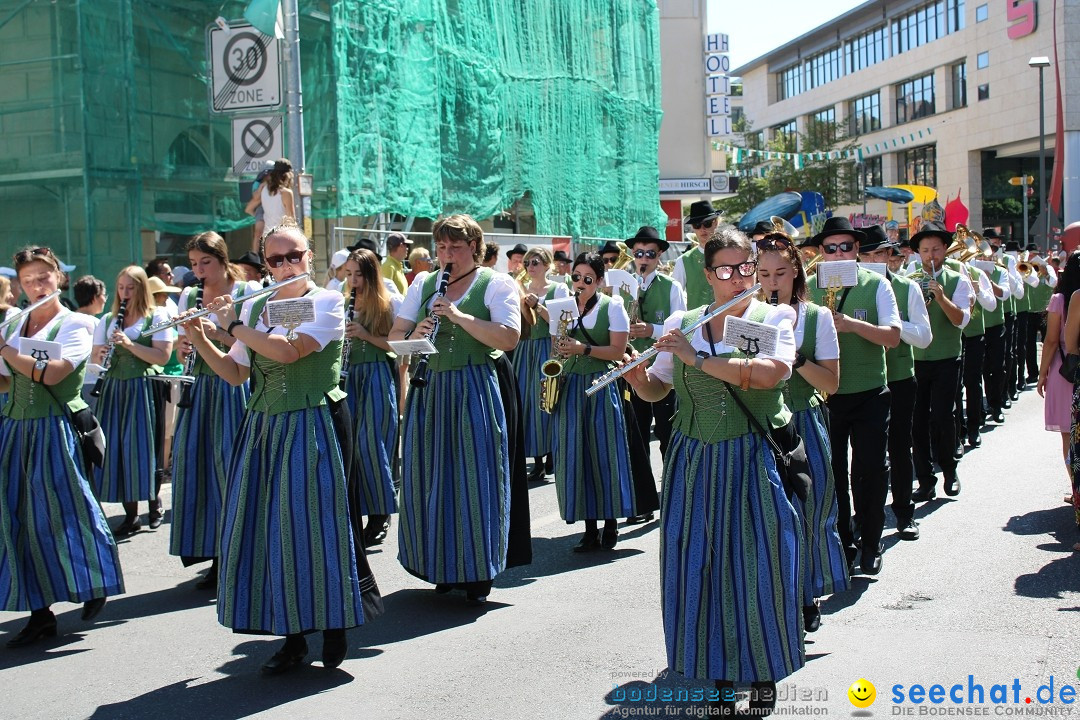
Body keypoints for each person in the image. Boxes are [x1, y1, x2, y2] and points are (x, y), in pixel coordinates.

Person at [624, 229, 802, 716]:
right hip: (692, 457)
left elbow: (771, 373)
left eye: (745, 267)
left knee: (758, 561)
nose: (738, 277)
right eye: (725, 270)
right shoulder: (685, 321)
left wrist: (697, 357)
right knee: (700, 565)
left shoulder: (774, 316)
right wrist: (640, 379)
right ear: (708, 276)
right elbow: (660, 389)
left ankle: (764, 675)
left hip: (749, 454)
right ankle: (719, 676)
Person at [182, 219, 369, 673]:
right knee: (270, 528)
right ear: (264, 263)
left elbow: (289, 352)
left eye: (294, 256)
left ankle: (333, 623)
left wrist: (232, 325)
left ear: (309, 257)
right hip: (265, 425)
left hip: (312, 422)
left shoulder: (325, 300)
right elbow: (235, 373)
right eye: (275, 259)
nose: (285, 266)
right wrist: (199, 337)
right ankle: (291, 635)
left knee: (315, 526)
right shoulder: (258, 305)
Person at [390, 214, 534, 604]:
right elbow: (394, 338)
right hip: (430, 388)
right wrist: (414, 333)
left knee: (475, 476)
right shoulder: (423, 282)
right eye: (441, 247)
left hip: (474, 386)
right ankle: (439, 562)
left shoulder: (496, 283)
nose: (446, 254)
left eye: (455, 247)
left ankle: (476, 569)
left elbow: (508, 337)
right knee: (431, 475)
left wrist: (459, 316)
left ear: (474, 247)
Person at [0, 247, 123, 647]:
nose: (36, 286)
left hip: (53, 430)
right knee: (18, 519)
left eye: (43, 277)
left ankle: (94, 580)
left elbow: (54, 374)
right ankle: (40, 612)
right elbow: (8, 381)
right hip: (15, 429)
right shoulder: (13, 324)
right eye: (28, 279)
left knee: (65, 513)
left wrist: (4, 349)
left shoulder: (78, 323)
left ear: (59, 278)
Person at [757, 231, 848, 633]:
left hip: (803, 422)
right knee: (768, 515)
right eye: (763, 274)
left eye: (780, 272)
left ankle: (807, 594)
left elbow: (831, 384)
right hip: (760, 423)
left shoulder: (817, 316)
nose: (772, 282)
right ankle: (773, 594)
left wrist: (794, 358)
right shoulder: (747, 314)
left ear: (795, 271)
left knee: (809, 511)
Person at [806, 217, 901, 576]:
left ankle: (873, 541)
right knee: (832, 476)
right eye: (830, 248)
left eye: (846, 246)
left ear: (857, 250)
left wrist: (848, 324)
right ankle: (844, 543)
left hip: (870, 393)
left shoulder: (877, 283)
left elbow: (892, 337)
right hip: (825, 396)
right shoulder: (809, 287)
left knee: (870, 471)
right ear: (820, 252)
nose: (838, 253)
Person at [551, 252, 658, 551]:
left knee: (605, 454)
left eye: (588, 279)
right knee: (577, 455)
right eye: (576, 277)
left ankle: (610, 524)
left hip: (603, 386)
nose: (580, 283)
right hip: (571, 386)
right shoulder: (563, 307)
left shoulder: (614, 306)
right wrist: (560, 350)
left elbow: (617, 351)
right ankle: (588, 526)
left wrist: (581, 348)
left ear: (599, 281)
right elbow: (556, 349)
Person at [169, 232, 257, 590]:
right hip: (198, 388)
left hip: (230, 385)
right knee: (197, 468)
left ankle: (235, 555)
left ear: (222, 260)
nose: (199, 270)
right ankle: (212, 552)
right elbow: (178, 351)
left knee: (228, 468)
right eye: (193, 264)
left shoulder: (244, 291)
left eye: (205, 263)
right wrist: (187, 344)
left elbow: (252, 343)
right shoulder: (189, 295)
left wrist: (216, 335)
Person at [858, 227, 932, 541]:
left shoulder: (907, 288)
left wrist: (892, 324)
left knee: (900, 447)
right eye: (868, 255)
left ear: (891, 256)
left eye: (880, 254)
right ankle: (864, 519)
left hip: (900, 377)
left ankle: (904, 513)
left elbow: (925, 338)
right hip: (862, 380)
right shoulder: (852, 288)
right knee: (864, 456)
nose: (874, 260)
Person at [92, 266, 175, 535]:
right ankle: (130, 515)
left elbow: (162, 357)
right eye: (121, 288)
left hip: (144, 388)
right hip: (115, 389)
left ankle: (154, 504)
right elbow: (95, 358)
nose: (125, 293)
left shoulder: (157, 316)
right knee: (118, 448)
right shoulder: (108, 319)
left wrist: (129, 344)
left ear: (142, 289)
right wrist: (103, 352)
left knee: (143, 446)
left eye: (131, 288)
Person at [625, 226, 686, 523]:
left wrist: (652, 330)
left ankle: (674, 494)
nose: (644, 258)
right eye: (638, 253)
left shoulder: (671, 286)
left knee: (666, 434)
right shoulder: (623, 286)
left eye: (650, 253)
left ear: (660, 255)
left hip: (662, 367)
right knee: (635, 435)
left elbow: (683, 327)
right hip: (631, 366)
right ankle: (642, 500)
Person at [907, 223, 971, 502]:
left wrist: (942, 297)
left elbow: (961, 320)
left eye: (935, 249)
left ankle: (949, 469)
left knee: (943, 417)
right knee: (917, 421)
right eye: (924, 250)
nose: (930, 255)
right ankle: (925, 479)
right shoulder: (909, 279)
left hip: (946, 358)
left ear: (945, 249)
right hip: (916, 361)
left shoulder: (958, 278)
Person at [342, 248, 402, 546]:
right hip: (349, 377)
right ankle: (358, 513)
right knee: (351, 446)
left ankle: (380, 513)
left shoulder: (386, 303)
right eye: (349, 274)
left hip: (377, 375)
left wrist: (364, 334)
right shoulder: (341, 303)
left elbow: (397, 347)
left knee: (371, 443)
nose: (353, 281)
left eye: (359, 274)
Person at [513, 247, 569, 482]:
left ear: (548, 265)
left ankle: (551, 454)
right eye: (527, 262)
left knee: (549, 399)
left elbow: (562, 322)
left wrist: (537, 306)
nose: (530, 266)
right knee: (527, 402)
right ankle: (536, 460)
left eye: (535, 262)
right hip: (526, 349)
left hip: (549, 347)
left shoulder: (559, 288)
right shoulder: (520, 288)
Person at [1037, 251, 1080, 509]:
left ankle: (1075, 488)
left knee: (1068, 435)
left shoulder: (1059, 299)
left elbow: (1052, 340)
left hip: (1064, 369)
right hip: (1072, 365)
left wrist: (1042, 374)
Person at [980, 229, 1011, 425]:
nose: (985, 255)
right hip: (977, 328)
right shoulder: (970, 270)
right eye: (981, 252)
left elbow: (1005, 294)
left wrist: (987, 280)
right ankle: (982, 407)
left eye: (988, 251)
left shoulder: (1000, 271)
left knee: (997, 367)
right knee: (979, 371)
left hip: (996, 325)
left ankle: (996, 404)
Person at [672, 200, 722, 308]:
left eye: (707, 224)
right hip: (696, 322)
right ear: (693, 228)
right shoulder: (683, 260)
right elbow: (675, 298)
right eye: (697, 225)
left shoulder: (729, 255)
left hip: (727, 319)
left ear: (716, 223)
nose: (702, 229)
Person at [73, 276, 107, 411]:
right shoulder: (96, 324)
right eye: (103, 295)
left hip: (73, 383)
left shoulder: (68, 319)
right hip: (92, 382)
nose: (105, 299)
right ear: (95, 297)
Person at [244, 158, 295, 247]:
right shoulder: (286, 193)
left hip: (267, 239)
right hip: (282, 237)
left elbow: (249, 208)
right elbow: (291, 220)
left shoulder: (263, 189)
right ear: (288, 175)